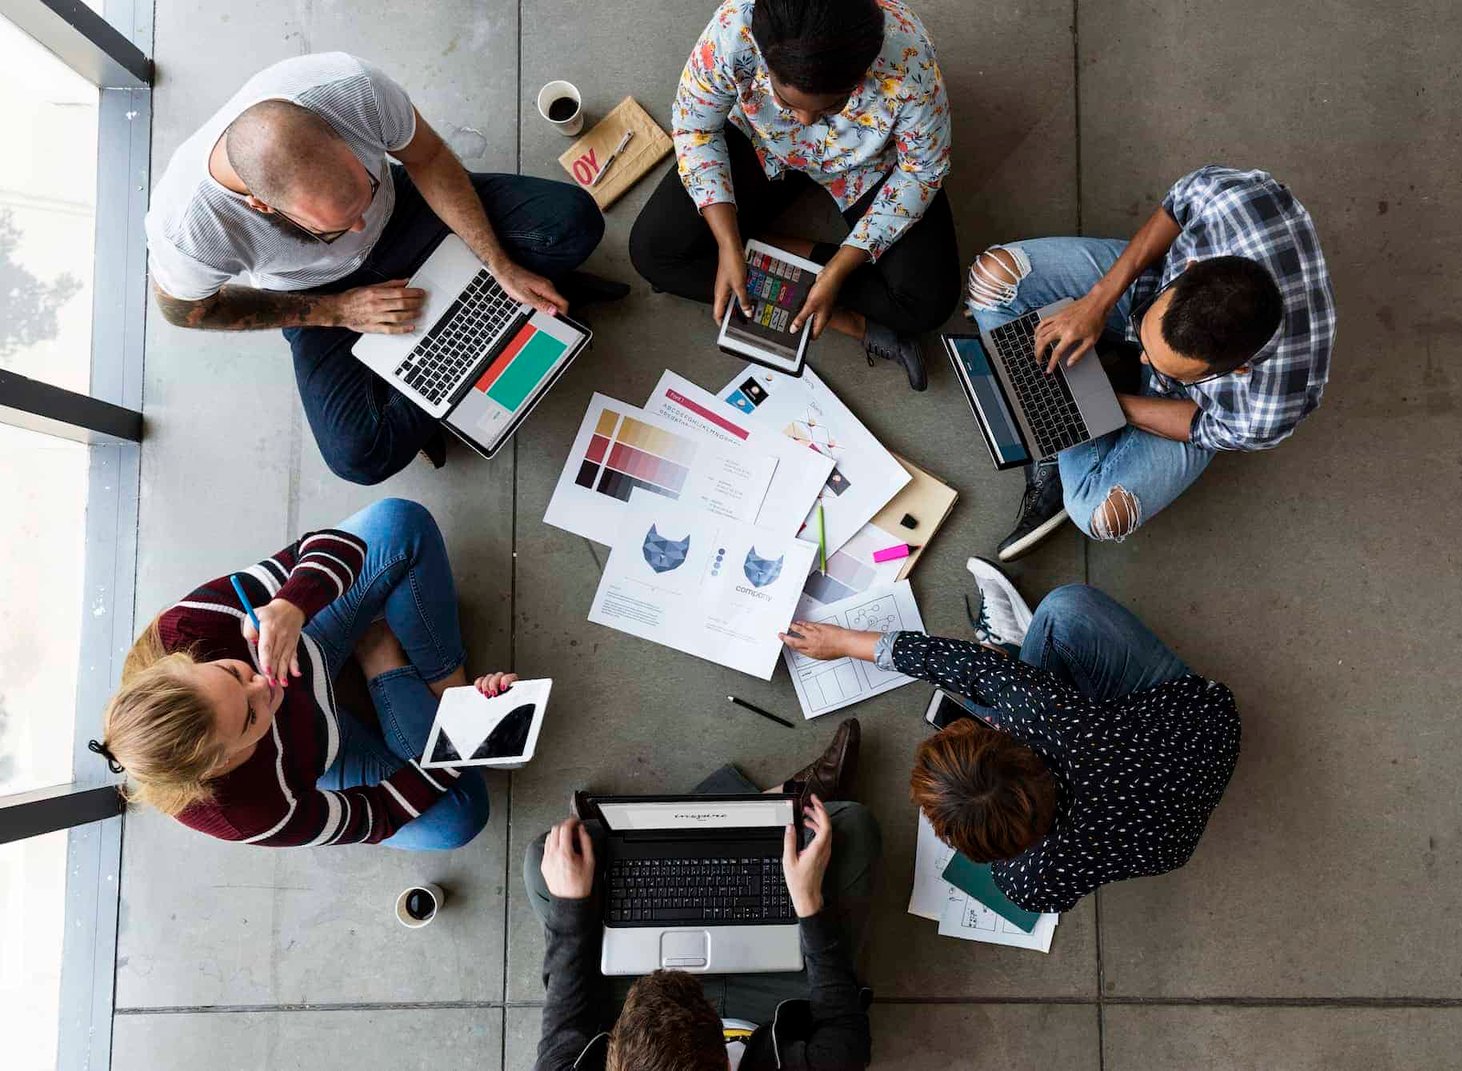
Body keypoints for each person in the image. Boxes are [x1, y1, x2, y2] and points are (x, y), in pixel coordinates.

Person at [145, 52, 621, 485]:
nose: (358, 228)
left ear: (338, 136)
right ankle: (455, 346)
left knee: (572, 223)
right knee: (359, 455)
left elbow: (428, 157)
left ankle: (456, 334)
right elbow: (187, 312)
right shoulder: (187, 229)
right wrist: (337, 311)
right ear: (261, 206)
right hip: (317, 292)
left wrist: (497, 264)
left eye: (362, 193)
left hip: (408, 216)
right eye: (333, 228)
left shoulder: (351, 87)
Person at [780, 561, 1240, 913]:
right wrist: (845, 642)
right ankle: (1013, 646)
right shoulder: (1051, 718)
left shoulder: (1027, 884)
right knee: (1061, 613)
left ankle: (1016, 650)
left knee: (987, 689)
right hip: (1203, 728)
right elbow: (967, 665)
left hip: (1172, 840)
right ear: (1018, 744)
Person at [94, 498, 508, 850]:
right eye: (250, 716)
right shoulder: (241, 812)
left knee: (400, 521)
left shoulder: (185, 629)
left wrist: (292, 604)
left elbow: (323, 547)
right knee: (458, 818)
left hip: (310, 638)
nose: (265, 684)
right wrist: (455, 746)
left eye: (232, 671)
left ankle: (448, 687)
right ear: (219, 765)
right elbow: (373, 815)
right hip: (330, 752)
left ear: (187, 661)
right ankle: (380, 654)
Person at [967, 165, 1336, 559]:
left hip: (1183, 403)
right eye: (1145, 340)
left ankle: (1062, 440)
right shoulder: (1231, 199)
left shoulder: (1271, 405)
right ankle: (1067, 421)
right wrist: (1097, 302)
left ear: (1238, 370)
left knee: (1098, 515)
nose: (1141, 356)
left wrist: (1103, 402)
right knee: (992, 282)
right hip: (1149, 286)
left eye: (1159, 362)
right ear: (1192, 268)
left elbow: (1200, 424)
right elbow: (1173, 211)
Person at [630, 0, 958, 390]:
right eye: (787, 102)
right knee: (651, 252)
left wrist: (837, 268)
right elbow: (694, 129)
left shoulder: (910, 63)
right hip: (763, 143)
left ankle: (766, 253)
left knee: (927, 303)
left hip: (867, 162)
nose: (805, 121)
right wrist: (728, 244)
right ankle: (849, 321)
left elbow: (922, 173)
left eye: (834, 106)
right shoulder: (734, 29)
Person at [524, 720, 880, 1070]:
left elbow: (565, 1023)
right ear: (726, 1058)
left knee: (549, 856)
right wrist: (809, 904)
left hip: (648, 1031)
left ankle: (632, 832)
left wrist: (573, 907)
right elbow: (844, 1029)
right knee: (853, 826)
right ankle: (783, 806)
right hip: (769, 1006)